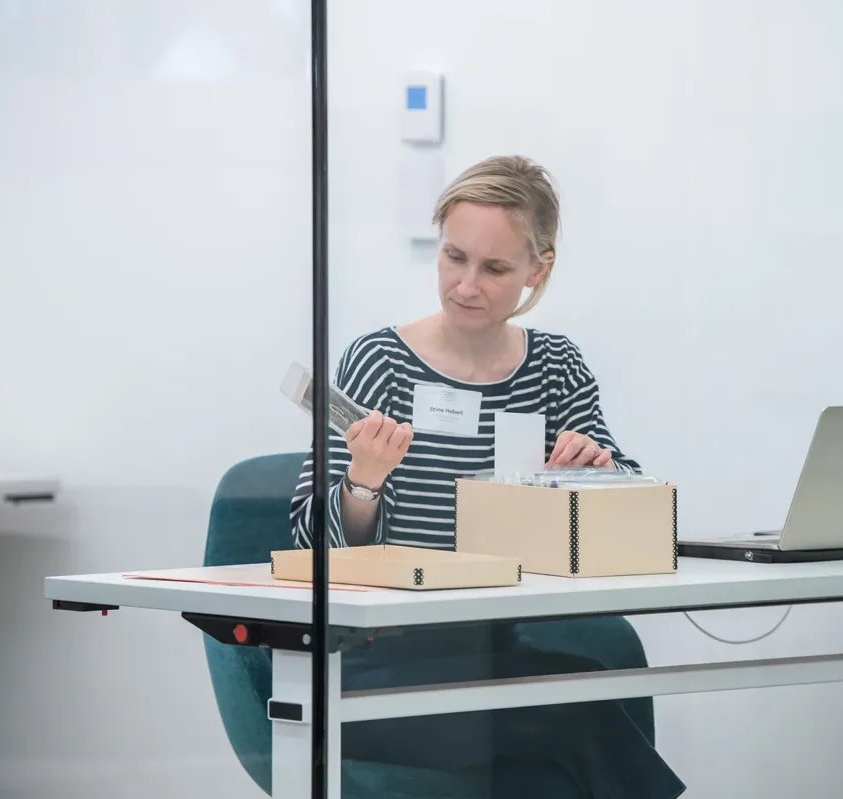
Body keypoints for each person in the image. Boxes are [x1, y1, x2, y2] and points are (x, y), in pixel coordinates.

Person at [288, 155, 685, 799]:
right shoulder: (378, 360)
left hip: (496, 648)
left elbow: (632, 493)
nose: (466, 285)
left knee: (585, 706)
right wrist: (363, 484)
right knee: (581, 715)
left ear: (538, 269)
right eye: (454, 258)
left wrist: (602, 470)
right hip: (376, 663)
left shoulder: (555, 366)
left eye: (494, 268)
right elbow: (309, 547)